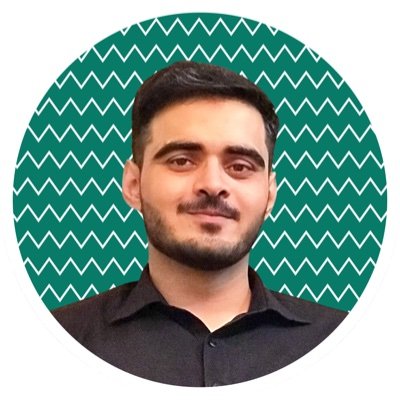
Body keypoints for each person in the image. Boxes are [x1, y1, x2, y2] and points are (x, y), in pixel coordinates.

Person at [52, 61, 347, 387]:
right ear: (134, 185)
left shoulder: (345, 344)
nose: (213, 184)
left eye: (240, 166)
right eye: (181, 161)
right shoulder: (56, 340)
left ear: (269, 194)